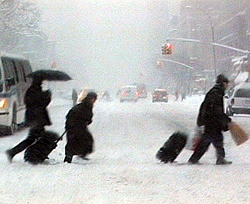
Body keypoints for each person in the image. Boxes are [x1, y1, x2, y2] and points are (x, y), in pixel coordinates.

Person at [188, 74, 232, 165]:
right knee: (212, 140)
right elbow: (216, 110)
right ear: (223, 83)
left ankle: (218, 158)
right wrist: (225, 119)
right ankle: (218, 159)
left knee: (213, 140)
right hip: (212, 121)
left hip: (211, 121)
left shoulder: (216, 92)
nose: (228, 86)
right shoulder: (216, 93)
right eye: (227, 84)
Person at [6, 77, 52, 162]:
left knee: (37, 137)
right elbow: (41, 104)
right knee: (33, 138)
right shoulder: (35, 91)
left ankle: (39, 154)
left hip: (35, 118)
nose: (42, 84)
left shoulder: (32, 90)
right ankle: (13, 152)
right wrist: (47, 96)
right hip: (36, 119)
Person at [64, 92, 97, 163]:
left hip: (79, 125)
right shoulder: (85, 106)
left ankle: (81, 154)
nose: (94, 101)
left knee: (85, 140)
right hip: (75, 126)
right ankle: (69, 158)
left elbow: (87, 117)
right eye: (94, 99)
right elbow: (76, 115)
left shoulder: (87, 105)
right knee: (74, 141)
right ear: (90, 98)